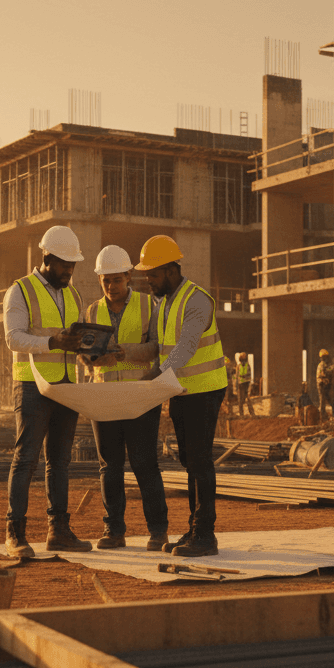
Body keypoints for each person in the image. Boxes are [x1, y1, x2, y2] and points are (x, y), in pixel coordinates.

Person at [135, 234, 228, 558]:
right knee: (190, 461)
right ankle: (194, 529)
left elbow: (186, 347)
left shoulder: (196, 300)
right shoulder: (165, 303)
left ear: (172, 271)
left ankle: (205, 535)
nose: (148, 280)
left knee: (199, 461)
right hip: (182, 390)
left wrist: (156, 375)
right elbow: (163, 349)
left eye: (153, 274)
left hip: (205, 390)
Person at [2, 225, 92, 557]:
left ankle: (59, 531)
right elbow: (13, 338)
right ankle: (15, 532)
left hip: (66, 385)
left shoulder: (73, 294)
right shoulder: (20, 290)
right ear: (47, 258)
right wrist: (52, 342)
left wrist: (87, 348)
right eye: (64, 265)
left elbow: (72, 338)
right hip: (32, 385)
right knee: (26, 458)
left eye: (73, 265)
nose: (69, 271)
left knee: (60, 461)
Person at [80, 244, 169, 551]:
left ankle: (158, 531)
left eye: (116, 280)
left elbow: (156, 348)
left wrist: (122, 353)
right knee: (109, 467)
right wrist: (91, 358)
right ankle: (113, 530)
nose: (111, 286)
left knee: (145, 464)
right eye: (105, 280)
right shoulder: (92, 311)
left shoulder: (148, 305)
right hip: (104, 397)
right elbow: (85, 356)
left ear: (129, 276)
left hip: (139, 395)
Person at [316, 350, 334, 419]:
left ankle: (333, 412)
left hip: (325, 384)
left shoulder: (325, 364)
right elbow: (324, 374)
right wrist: (331, 369)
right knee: (322, 400)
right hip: (322, 384)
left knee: (328, 399)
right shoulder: (322, 365)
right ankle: (322, 416)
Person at [234, 352, 253, 417]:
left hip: (243, 384)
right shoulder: (246, 365)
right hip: (244, 384)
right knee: (245, 399)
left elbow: (237, 376)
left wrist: (236, 386)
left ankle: (244, 414)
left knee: (243, 399)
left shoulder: (240, 366)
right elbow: (249, 375)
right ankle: (248, 413)